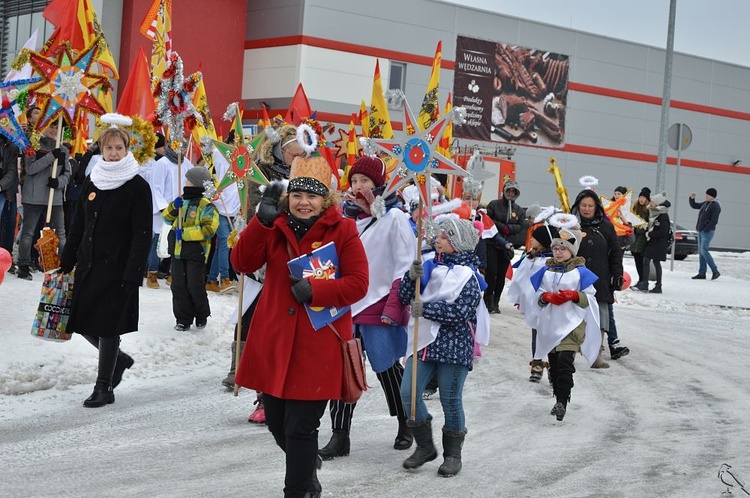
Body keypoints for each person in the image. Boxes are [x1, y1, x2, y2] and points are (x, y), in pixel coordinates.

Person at [230, 151, 369, 498]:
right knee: (277, 424)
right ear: (287, 196)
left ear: (326, 199)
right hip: (275, 342)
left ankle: (299, 491)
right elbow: (243, 262)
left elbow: (358, 283)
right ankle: (307, 473)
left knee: (301, 428)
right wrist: (259, 223)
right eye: (297, 195)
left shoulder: (345, 230)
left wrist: (318, 289)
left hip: (317, 347)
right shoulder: (273, 227)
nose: (303, 202)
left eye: (312, 195)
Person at [318, 155, 415, 461]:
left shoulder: (395, 218)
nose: (359, 187)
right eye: (355, 181)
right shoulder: (346, 219)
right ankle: (340, 434)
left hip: (379, 302)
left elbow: (405, 264)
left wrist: (397, 302)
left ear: (379, 184)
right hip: (347, 303)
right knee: (346, 370)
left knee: (386, 367)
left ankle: (407, 422)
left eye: (365, 181)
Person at [58, 123, 151, 407]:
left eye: (118, 148)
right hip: (89, 264)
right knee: (80, 319)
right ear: (101, 148)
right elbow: (79, 224)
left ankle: (104, 387)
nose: (113, 153)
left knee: (108, 325)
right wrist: (67, 258)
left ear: (127, 149)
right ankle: (118, 359)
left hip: (118, 268)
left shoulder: (137, 185)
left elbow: (142, 233)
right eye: (108, 148)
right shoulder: (93, 180)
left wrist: (134, 272)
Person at [398, 218, 484, 478]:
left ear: (458, 243)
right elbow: (405, 298)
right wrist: (409, 277)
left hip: (454, 345)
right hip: (424, 341)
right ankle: (425, 447)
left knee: (450, 400)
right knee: (408, 394)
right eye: (439, 235)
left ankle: (453, 456)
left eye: (445, 237)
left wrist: (427, 308)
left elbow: (462, 311)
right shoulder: (430, 265)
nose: (438, 239)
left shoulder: (470, 276)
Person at [531, 215, 600, 421]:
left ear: (572, 251)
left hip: (572, 324)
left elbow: (591, 298)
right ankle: (558, 396)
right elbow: (536, 295)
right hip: (550, 325)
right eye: (555, 248)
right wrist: (545, 296)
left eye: (563, 249)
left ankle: (562, 401)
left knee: (565, 364)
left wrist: (575, 295)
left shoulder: (581, 272)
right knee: (554, 363)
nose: (558, 252)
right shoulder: (545, 271)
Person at [570, 187, 624, 369]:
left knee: (600, 317)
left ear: (596, 208)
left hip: (600, 279)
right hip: (575, 278)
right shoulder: (571, 225)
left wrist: (617, 275)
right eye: (583, 205)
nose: (586, 209)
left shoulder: (607, 227)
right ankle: (568, 351)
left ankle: (596, 355)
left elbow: (616, 253)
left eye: (590, 206)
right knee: (573, 316)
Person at [162, 166, 219, 331]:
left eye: (188, 179)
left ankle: (201, 314)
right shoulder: (181, 201)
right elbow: (166, 218)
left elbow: (208, 230)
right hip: (178, 251)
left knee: (194, 285)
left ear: (195, 183)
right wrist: (174, 207)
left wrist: (185, 233)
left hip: (196, 252)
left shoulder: (206, 205)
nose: (185, 181)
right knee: (178, 285)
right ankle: (183, 318)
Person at [17, 120, 71, 280]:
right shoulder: (32, 144)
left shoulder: (62, 149)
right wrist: (50, 157)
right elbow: (31, 168)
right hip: (33, 197)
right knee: (28, 232)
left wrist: (58, 182)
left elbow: (67, 174)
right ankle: (23, 265)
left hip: (54, 198)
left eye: (57, 126)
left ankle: (64, 264)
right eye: (51, 126)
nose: (54, 130)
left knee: (61, 233)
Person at [507, 221, 558, 382]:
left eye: (535, 239)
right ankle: (537, 363)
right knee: (536, 333)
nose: (532, 241)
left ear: (543, 242)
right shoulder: (531, 258)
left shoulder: (552, 263)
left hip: (551, 305)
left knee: (552, 336)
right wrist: (521, 297)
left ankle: (554, 368)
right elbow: (522, 279)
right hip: (535, 305)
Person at [485, 180, 528, 313]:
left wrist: (510, 229)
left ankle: (496, 301)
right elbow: (488, 219)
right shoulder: (494, 204)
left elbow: (521, 225)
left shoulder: (519, 210)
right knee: (491, 273)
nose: (510, 194)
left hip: (507, 246)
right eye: (508, 191)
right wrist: (501, 226)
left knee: (501, 275)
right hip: (492, 243)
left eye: (513, 192)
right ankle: (488, 300)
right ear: (504, 191)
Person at [206, 143, 239, 293]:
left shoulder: (241, 162)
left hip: (232, 210)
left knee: (222, 246)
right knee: (225, 241)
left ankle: (211, 280)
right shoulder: (217, 158)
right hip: (219, 209)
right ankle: (224, 278)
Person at [634, 191, 670, 294]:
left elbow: (663, 231)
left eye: (653, 202)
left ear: (658, 203)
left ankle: (654, 285)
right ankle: (649, 284)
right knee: (650, 261)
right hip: (654, 242)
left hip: (658, 243)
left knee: (651, 261)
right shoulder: (656, 213)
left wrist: (650, 234)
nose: (651, 203)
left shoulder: (663, 215)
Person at [689, 188, 721, 280]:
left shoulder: (715, 206)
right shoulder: (705, 203)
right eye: (706, 194)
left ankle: (715, 271)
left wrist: (706, 229)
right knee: (701, 253)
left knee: (704, 251)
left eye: (708, 194)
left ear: (713, 196)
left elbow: (714, 220)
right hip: (700, 230)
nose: (706, 196)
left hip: (707, 232)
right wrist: (691, 199)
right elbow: (694, 205)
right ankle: (702, 273)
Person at [630, 188, 651, 289]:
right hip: (635, 240)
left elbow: (647, 226)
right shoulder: (635, 209)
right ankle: (640, 280)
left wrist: (638, 229)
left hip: (642, 240)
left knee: (642, 262)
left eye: (643, 198)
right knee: (637, 261)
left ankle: (643, 281)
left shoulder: (648, 211)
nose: (641, 199)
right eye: (640, 197)